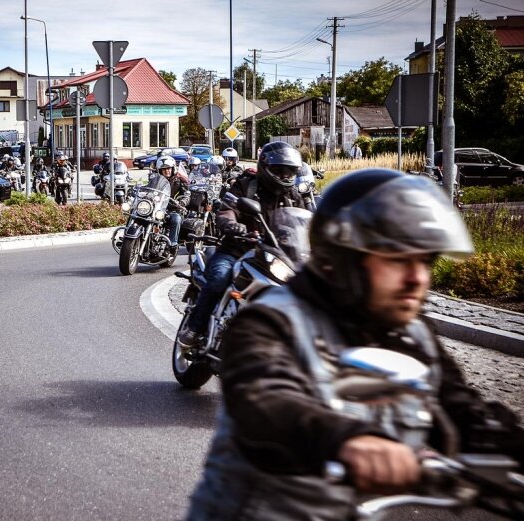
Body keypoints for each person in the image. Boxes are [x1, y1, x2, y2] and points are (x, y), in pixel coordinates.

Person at [186, 168, 524, 520]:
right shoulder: (270, 323)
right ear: (344, 256)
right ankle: (196, 329)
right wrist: (349, 440)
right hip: (253, 512)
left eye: (424, 261)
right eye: (397, 260)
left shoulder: (411, 334)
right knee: (218, 277)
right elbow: (265, 401)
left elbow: (461, 409)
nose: (417, 278)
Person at [177, 141, 308, 349]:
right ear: (266, 168)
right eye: (280, 170)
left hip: (275, 257)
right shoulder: (246, 185)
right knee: (220, 279)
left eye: (290, 171)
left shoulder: (293, 196)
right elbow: (227, 210)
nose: (285, 176)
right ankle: (194, 329)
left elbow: (306, 222)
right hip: (236, 251)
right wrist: (232, 225)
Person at [153, 156, 190, 256]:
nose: (167, 171)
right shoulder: (155, 180)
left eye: (168, 168)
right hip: (157, 209)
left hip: (173, 209)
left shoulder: (178, 181)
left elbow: (187, 194)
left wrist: (182, 202)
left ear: (173, 169)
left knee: (176, 219)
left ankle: (173, 244)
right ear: (160, 170)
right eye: (164, 169)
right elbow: (148, 189)